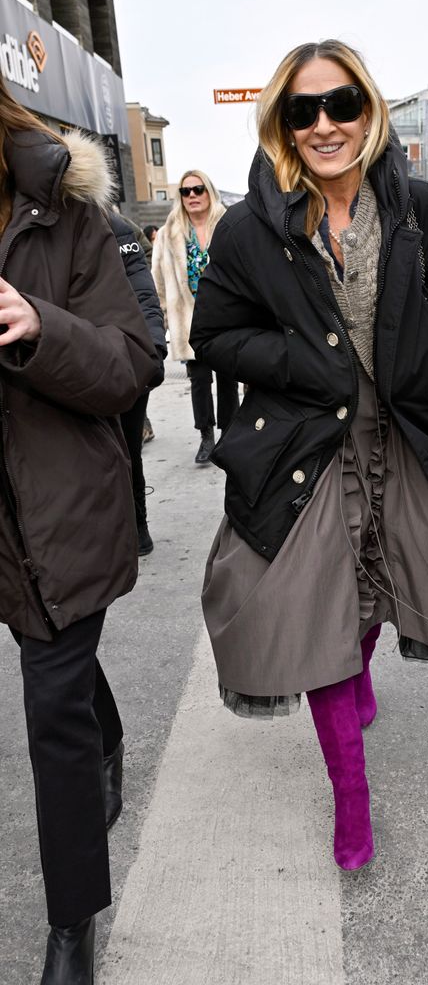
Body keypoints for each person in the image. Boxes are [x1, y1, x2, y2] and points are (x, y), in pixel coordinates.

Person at [190, 39, 428, 871]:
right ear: (282, 125)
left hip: (397, 431)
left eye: (341, 104)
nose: (324, 124)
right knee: (319, 603)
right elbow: (212, 333)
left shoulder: (414, 206)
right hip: (304, 443)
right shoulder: (252, 227)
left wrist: (424, 336)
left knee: (382, 582)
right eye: (303, 110)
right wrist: (300, 363)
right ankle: (351, 797)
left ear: (369, 109)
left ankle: (360, 673)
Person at [0, 84, 157, 982]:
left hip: (58, 507)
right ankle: (107, 732)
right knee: (49, 644)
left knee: (47, 698)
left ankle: (71, 925)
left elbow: (132, 360)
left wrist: (36, 327)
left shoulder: (65, 211)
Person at [151, 172, 238, 463]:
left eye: (198, 189)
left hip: (226, 317)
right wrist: (161, 314)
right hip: (190, 320)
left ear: (209, 191)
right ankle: (206, 436)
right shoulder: (169, 232)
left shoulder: (229, 224)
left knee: (227, 378)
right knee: (199, 380)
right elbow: (158, 281)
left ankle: (229, 433)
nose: (192, 195)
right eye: (186, 191)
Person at [110, 211, 167, 554]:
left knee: (129, 447)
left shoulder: (118, 228)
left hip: (126, 355)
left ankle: (137, 522)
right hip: (69, 354)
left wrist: (153, 351)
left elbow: (144, 294)